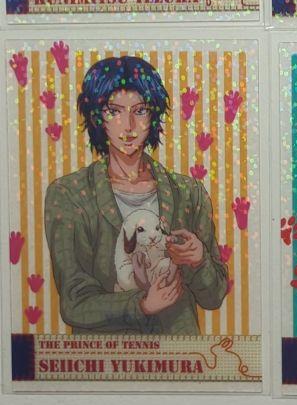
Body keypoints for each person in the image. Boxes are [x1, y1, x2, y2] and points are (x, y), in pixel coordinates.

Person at [43, 56, 228, 333]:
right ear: (97, 117)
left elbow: (214, 297)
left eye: (140, 111)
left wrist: (198, 260)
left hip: (179, 349)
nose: (128, 126)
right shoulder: (70, 194)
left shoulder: (188, 192)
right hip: (104, 352)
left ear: (153, 116)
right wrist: (141, 305)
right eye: (114, 111)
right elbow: (74, 302)